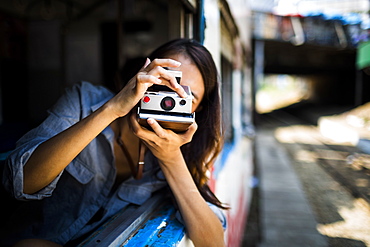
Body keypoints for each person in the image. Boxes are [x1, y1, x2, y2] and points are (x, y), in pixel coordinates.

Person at [1, 38, 227, 246]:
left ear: (198, 109)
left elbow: (213, 243)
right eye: (165, 82)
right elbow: (21, 184)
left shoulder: (188, 150)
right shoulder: (84, 101)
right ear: (145, 73)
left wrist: (171, 158)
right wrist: (111, 110)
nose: (168, 100)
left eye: (185, 96)